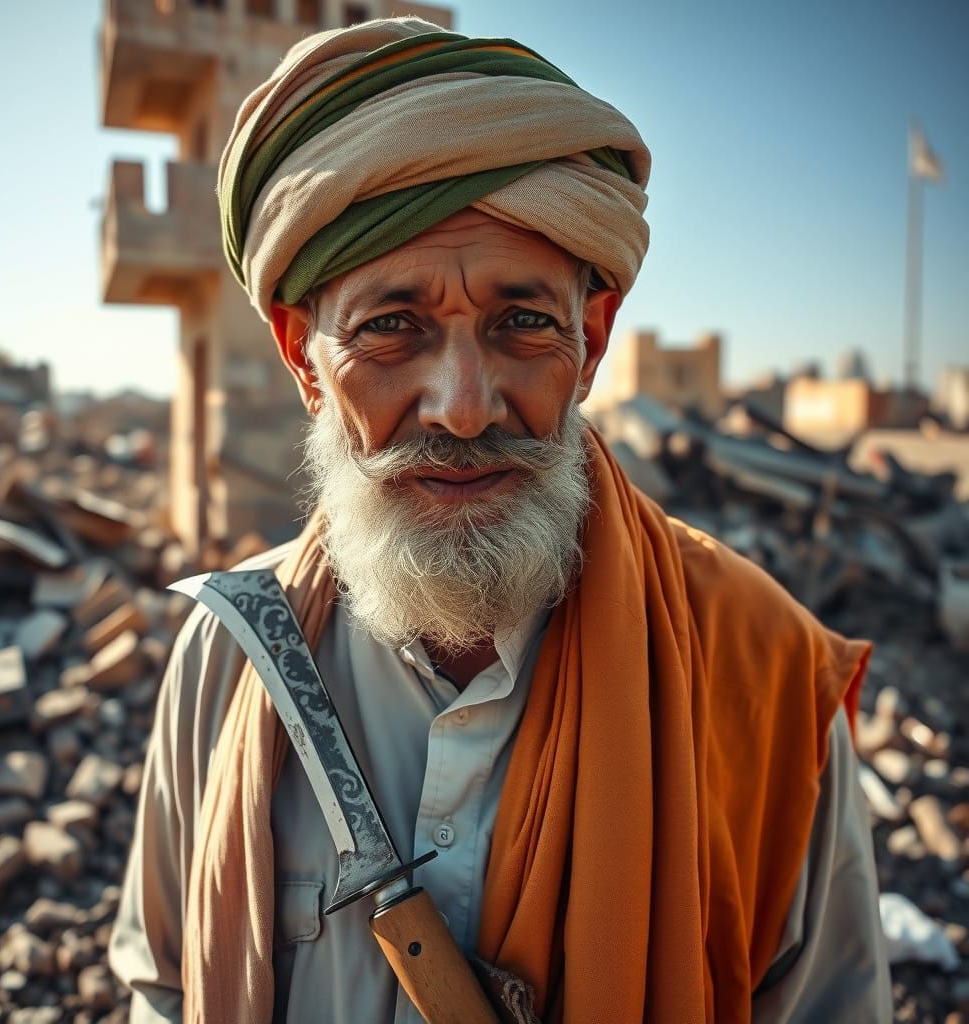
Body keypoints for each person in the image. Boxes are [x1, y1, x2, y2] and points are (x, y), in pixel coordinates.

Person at [109, 17, 891, 1024]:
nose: (464, 406)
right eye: (393, 327)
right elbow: (165, 989)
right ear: (305, 356)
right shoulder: (230, 657)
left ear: (592, 339)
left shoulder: (759, 671)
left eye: (523, 323)